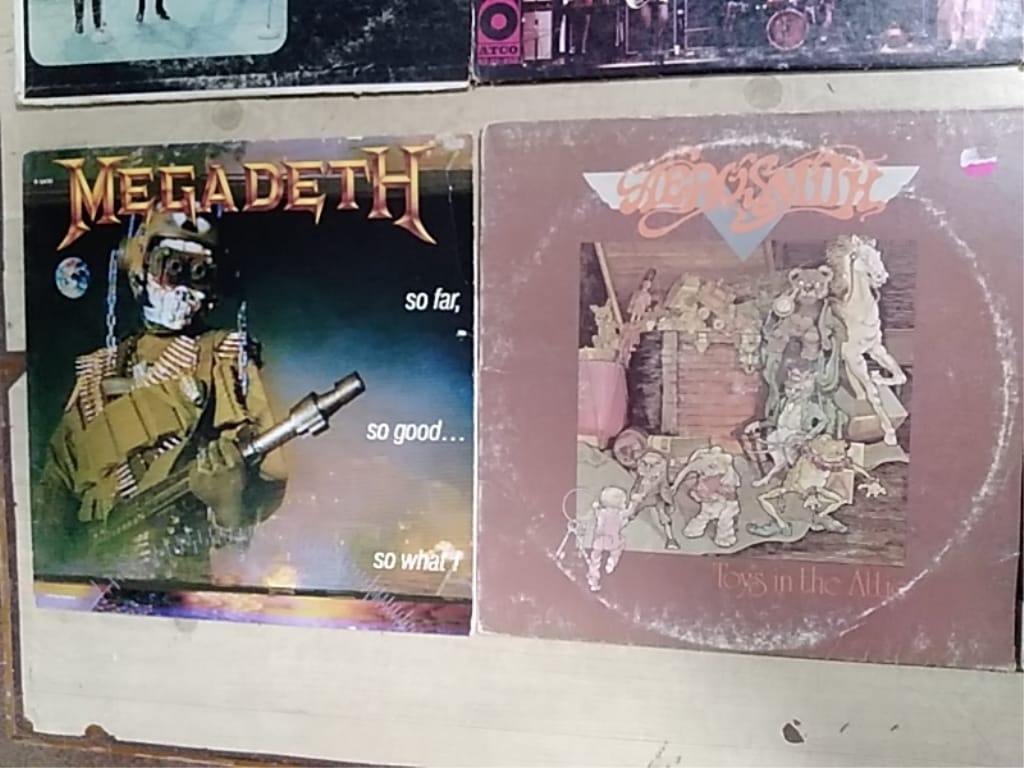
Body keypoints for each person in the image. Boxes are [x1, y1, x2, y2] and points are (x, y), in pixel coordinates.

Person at [32, 210, 287, 585]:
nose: (184, 286)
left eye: (199, 271)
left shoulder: (224, 358)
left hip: (177, 568)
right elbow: (59, 478)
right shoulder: (99, 369)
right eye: (171, 265)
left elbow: (264, 480)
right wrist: (48, 562)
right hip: (92, 567)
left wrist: (228, 503)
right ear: (141, 267)